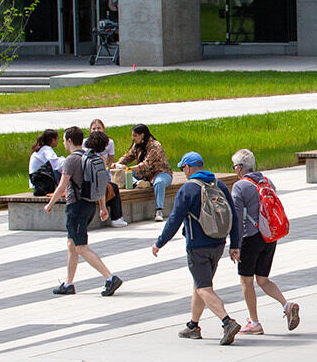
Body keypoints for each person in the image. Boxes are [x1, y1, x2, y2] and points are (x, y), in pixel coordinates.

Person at [153, 151, 243, 345]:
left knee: (203, 288)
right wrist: (235, 244)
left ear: (188, 167)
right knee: (200, 284)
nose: (183, 171)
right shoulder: (219, 185)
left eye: (183, 168)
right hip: (218, 244)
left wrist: (159, 243)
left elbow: (175, 220)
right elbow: (234, 216)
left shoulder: (188, 189)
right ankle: (193, 326)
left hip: (198, 246)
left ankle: (227, 322)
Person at [41, 127, 123, 297]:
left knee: (81, 247)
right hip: (89, 205)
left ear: (70, 140)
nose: (63, 143)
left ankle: (110, 278)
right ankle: (68, 283)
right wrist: (101, 206)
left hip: (76, 207)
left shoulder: (71, 160)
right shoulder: (91, 156)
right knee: (72, 245)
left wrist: (50, 204)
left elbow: (62, 186)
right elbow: (97, 185)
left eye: (64, 140)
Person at [229, 149, 299, 335]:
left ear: (240, 168)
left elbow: (236, 217)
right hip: (269, 236)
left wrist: (234, 244)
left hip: (250, 238)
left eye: (235, 166)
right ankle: (286, 304)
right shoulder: (267, 182)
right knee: (263, 279)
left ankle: (254, 322)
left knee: (246, 281)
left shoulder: (240, 186)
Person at [119, 123, 174, 220]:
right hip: (144, 176)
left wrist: (129, 169)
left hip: (161, 173)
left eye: (135, 136)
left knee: (159, 182)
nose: (133, 138)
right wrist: (118, 164)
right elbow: (128, 156)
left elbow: (145, 164)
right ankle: (138, 183)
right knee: (125, 173)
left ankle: (159, 211)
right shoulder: (137, 145)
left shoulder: (155, 146)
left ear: (142, 135)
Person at [87, 119, 125, 227]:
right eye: (94, 128)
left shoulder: (91, 156)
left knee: (110, 187)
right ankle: (116, 217)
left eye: (99, 128)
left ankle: (116, 217)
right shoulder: (98, 160)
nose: (96, 130)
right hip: (92, 185)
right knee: (112, 188)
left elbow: (111, 160)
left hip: (95, 181)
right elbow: (100, 184)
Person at [28, 129, 65, 197]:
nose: (58, 141)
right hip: (40, 181)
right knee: (61, 168)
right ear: (53, 140)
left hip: (35, 181)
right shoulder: (46, 149)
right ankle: (62, 190)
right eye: (57, 139)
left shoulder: (41, 149)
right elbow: (56, 164)